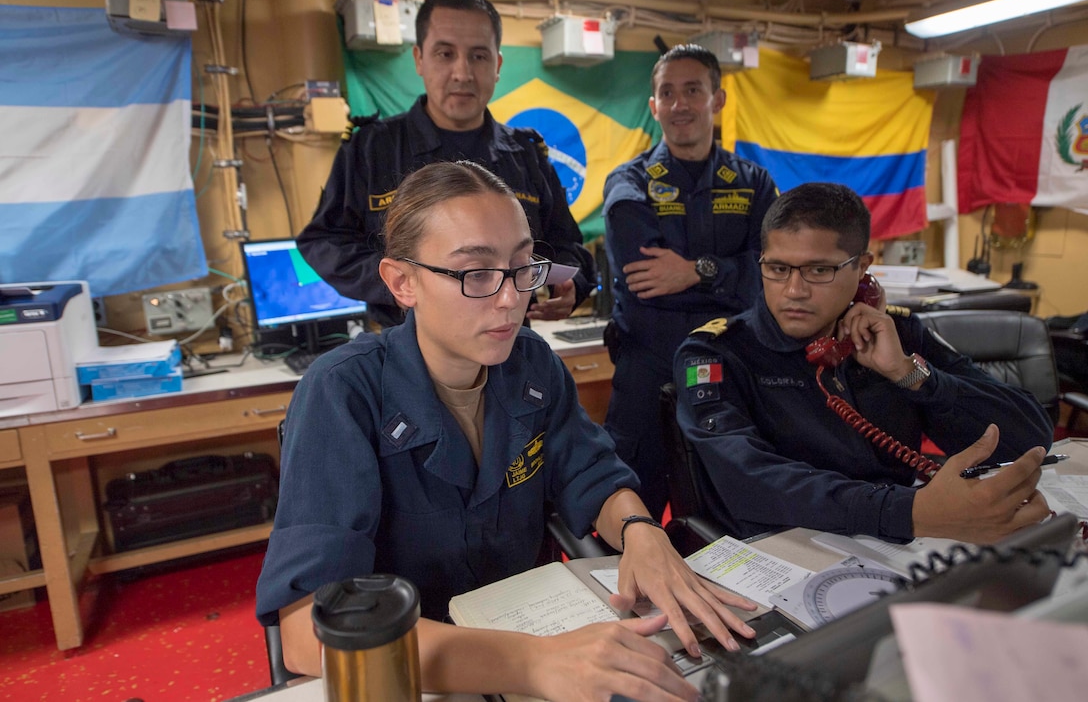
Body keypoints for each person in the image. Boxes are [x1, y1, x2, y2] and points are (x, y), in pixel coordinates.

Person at [256, 161, 759, 701]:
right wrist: (531, 664)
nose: (510, 298)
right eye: (476, 273)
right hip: (421, 671)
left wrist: (641, 531)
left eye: (522, 267)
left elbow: (590, 471)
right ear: (402, 282)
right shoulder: (341, 392)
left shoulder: (532, 364)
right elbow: (309, 633)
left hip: (535, 628)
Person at [673, 182, 1054, 544]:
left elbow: (1029, 438)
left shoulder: (898, 333)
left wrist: (908, 374)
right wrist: (909, 511)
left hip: (896, 539)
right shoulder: (717, 352)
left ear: (862, 269)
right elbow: (748, 482)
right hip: (785, 546)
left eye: (819, 270)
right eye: (777, 268)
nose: (793, 291)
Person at [296, 0, 593, 328]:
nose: (462, 73)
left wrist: (572, 286)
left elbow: (567, 245)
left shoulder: (525, 156)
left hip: (508, 348)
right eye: (445, 54)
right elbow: (323, 243)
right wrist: (409, 282)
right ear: (419, 59)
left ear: (497, 65)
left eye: (479, 56)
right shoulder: (372, 150)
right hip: (405, 352)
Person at [602, 44, 779, 518]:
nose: (679, 104)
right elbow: (644, 278)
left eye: (692, 90)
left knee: (732, 512)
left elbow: (771, 274)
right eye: (667, 92)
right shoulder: (629, 182)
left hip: (731, 369)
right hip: (648, 371)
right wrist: (728, 274)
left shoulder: (755, 184)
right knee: (631, 513)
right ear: (653, 105)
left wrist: (694, 271)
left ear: (717, 99)